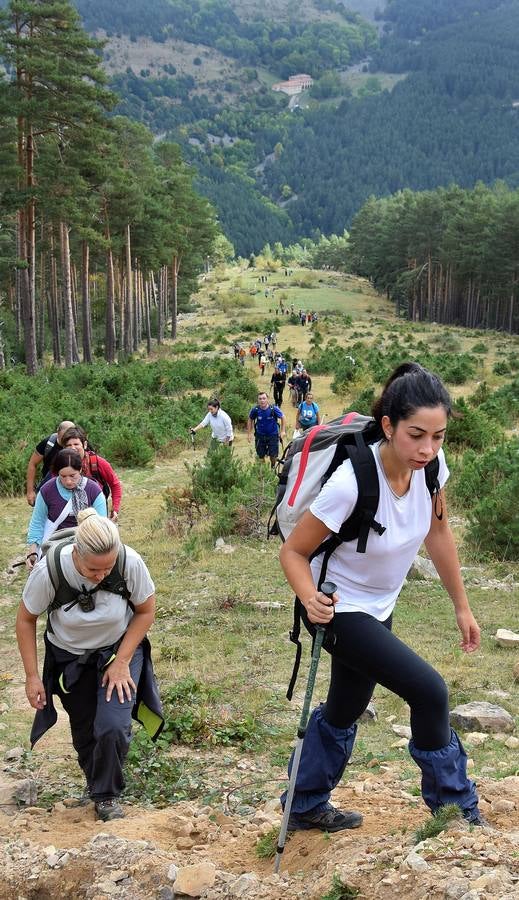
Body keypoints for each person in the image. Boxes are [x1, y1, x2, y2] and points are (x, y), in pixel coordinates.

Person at [279, 362, 484, 832]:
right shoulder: (351, 483)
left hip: (380, 607)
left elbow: (438, 533)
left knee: (346, 706)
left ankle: (305, 803)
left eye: (439, 436)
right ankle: (457, 814)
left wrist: (461, 605)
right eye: (416, 435)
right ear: (388, 426)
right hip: (337, 608)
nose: (428, 449)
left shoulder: (431, 470)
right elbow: (294, 551)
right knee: (430, 692)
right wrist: (309, 598)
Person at [16, 509, 161, 822]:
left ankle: (106, 797)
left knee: (112, 726)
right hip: (69, 657)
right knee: (85, 730)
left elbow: (146, 611)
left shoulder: (129, 562)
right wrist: (31, 676)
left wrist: (122, 661)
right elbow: (26, 619)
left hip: (118, 651)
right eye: (94, 569)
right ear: (77, 553)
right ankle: (96, 784)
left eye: (108, 567)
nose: (102, 575)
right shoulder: (50, 571)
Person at [26, 449, 107, 571]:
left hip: (86, 544)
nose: (68, 481)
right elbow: (37, 522)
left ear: (80, 470)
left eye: (73, 476)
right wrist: (33, 552)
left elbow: (102, 526)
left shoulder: (93, 490)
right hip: (53, 544)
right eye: (63, 476)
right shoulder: (47, 490)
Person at [61, 427, 122, 522]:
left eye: (76, 444)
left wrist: (115, 509)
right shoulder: (59, 465)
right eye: (68, 445)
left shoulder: (98, 463)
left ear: (84, 444)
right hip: (68, 515)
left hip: (97, 511)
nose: (73, 448)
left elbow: (115, 485)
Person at [26, 420, 75, 507]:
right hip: (49, 485)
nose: (65, 441)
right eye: (63, 437)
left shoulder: (78, 444)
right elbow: (32, 464)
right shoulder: (48, 443)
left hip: (71, 486)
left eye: (68, 437)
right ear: (57, 432)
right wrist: (30, 491)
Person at [247, 391, 286, 468]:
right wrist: (249, 433)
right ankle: (264, 471)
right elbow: (250, 419)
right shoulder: (255, 409)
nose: (262, 400)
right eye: (260, 399)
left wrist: (283, 431)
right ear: (258, 400)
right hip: (260, 436)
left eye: (264, 398)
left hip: (273, 435)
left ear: (267, 399)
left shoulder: (273, 409)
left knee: (273, 456)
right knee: (260, 456)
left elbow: (283, 417)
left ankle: (272, 468)